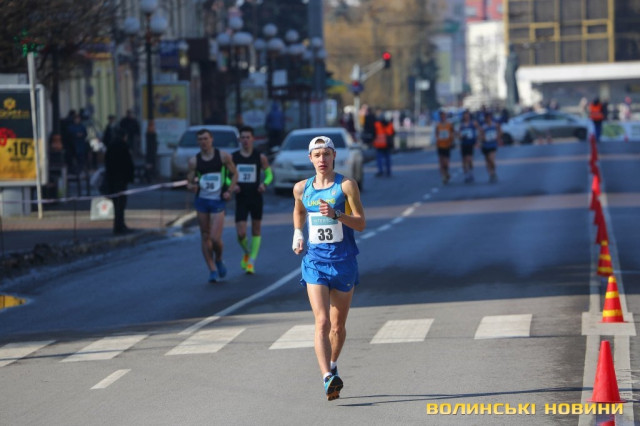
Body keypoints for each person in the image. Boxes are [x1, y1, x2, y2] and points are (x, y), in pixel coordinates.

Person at [292, 135, 366, 401]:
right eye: (317, 155)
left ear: (334, 156)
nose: (322, 159)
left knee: (337, 326)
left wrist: (337, 215)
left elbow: (361, 223)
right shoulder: (301, 188)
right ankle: (327, 377)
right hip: (315, 262)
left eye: (326, 154)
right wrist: (297, 234)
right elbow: (299, 211)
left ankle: (333, 364)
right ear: (310, 159)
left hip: (344, 262)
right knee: (322, 321)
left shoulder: (346, 186)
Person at [187, 129, 238, 283]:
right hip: (202, 200)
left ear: (211, 139)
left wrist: (229, 190)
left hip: (218, 200)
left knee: (215, 238)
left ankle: (219, 259)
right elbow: (189, 181)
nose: (203, 142)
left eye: (206, 138)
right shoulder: (194, 161)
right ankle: (212, 269)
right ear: (198, 142)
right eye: (200, 139)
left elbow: (234, 174)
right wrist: (192, 186)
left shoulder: (223, 156)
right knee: (205, 235)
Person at [232, 126, 272, 274]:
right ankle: (248, 252)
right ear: (239, 139)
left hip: (256, 196)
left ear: (252, 139)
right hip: (241, 197)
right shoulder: (233, 157)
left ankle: (251, 262)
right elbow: (226, 176)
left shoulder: (260, 157)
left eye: (248, 137)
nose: (245, 140)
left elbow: (269, 175)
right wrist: (232, 185)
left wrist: (264, 184)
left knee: (256, 229)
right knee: (241, 233)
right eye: (243, 137)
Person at [104, 129, 135, 235]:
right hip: (121, 179)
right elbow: (128, 163)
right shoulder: (124, 146)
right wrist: (130, 177)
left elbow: (107, 163)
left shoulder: (110, 146)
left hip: (112, 179)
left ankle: (118, 225)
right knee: (121, 204)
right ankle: (119, 225)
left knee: (116, 203)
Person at [457, 110, 480, 183]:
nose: (466, 117)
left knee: (469, 159)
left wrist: (477, 140)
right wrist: (460, 136)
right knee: (464, 160)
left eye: (467, 115)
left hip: (470, 143)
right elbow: (458, 134)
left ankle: (471, 172)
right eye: (465, 116)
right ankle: (466, 174)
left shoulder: (473, 123)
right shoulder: (461, 125)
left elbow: (478, 131)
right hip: (464, 144)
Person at [479, 112, 501, 183]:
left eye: (489, 118)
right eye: (486, 118)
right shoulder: (483, 127)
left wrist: (498, 137)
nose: (488, 119)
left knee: (492, 159)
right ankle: (491, 174)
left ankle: (493, 171)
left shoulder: (495, 125)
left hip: (493, 145)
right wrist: (483, 138)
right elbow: (480, 136)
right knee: (487, 161)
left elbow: (500, 131)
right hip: (486, 146)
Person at [434, 110, 454, 184]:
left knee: (446, 163)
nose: (442, 117)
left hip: (447, 145)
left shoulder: (449, 124)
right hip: (440, 145)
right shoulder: (438, 125)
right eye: (441, 116)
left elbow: (452, 133)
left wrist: (451, 141)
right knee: (441, 162)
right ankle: (443, 176)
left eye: (444, 116)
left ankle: (447, 172)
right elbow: (436, 134)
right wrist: (437, 139)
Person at [373, 112, 393, 177]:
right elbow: (393, 133)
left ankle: (380, 171)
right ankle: (388, 171)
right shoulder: (390, 124)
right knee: (387, 158)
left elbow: (373, 133)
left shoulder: (377, 124)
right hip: (387, 144)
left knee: (379, 159)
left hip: (379, 144)